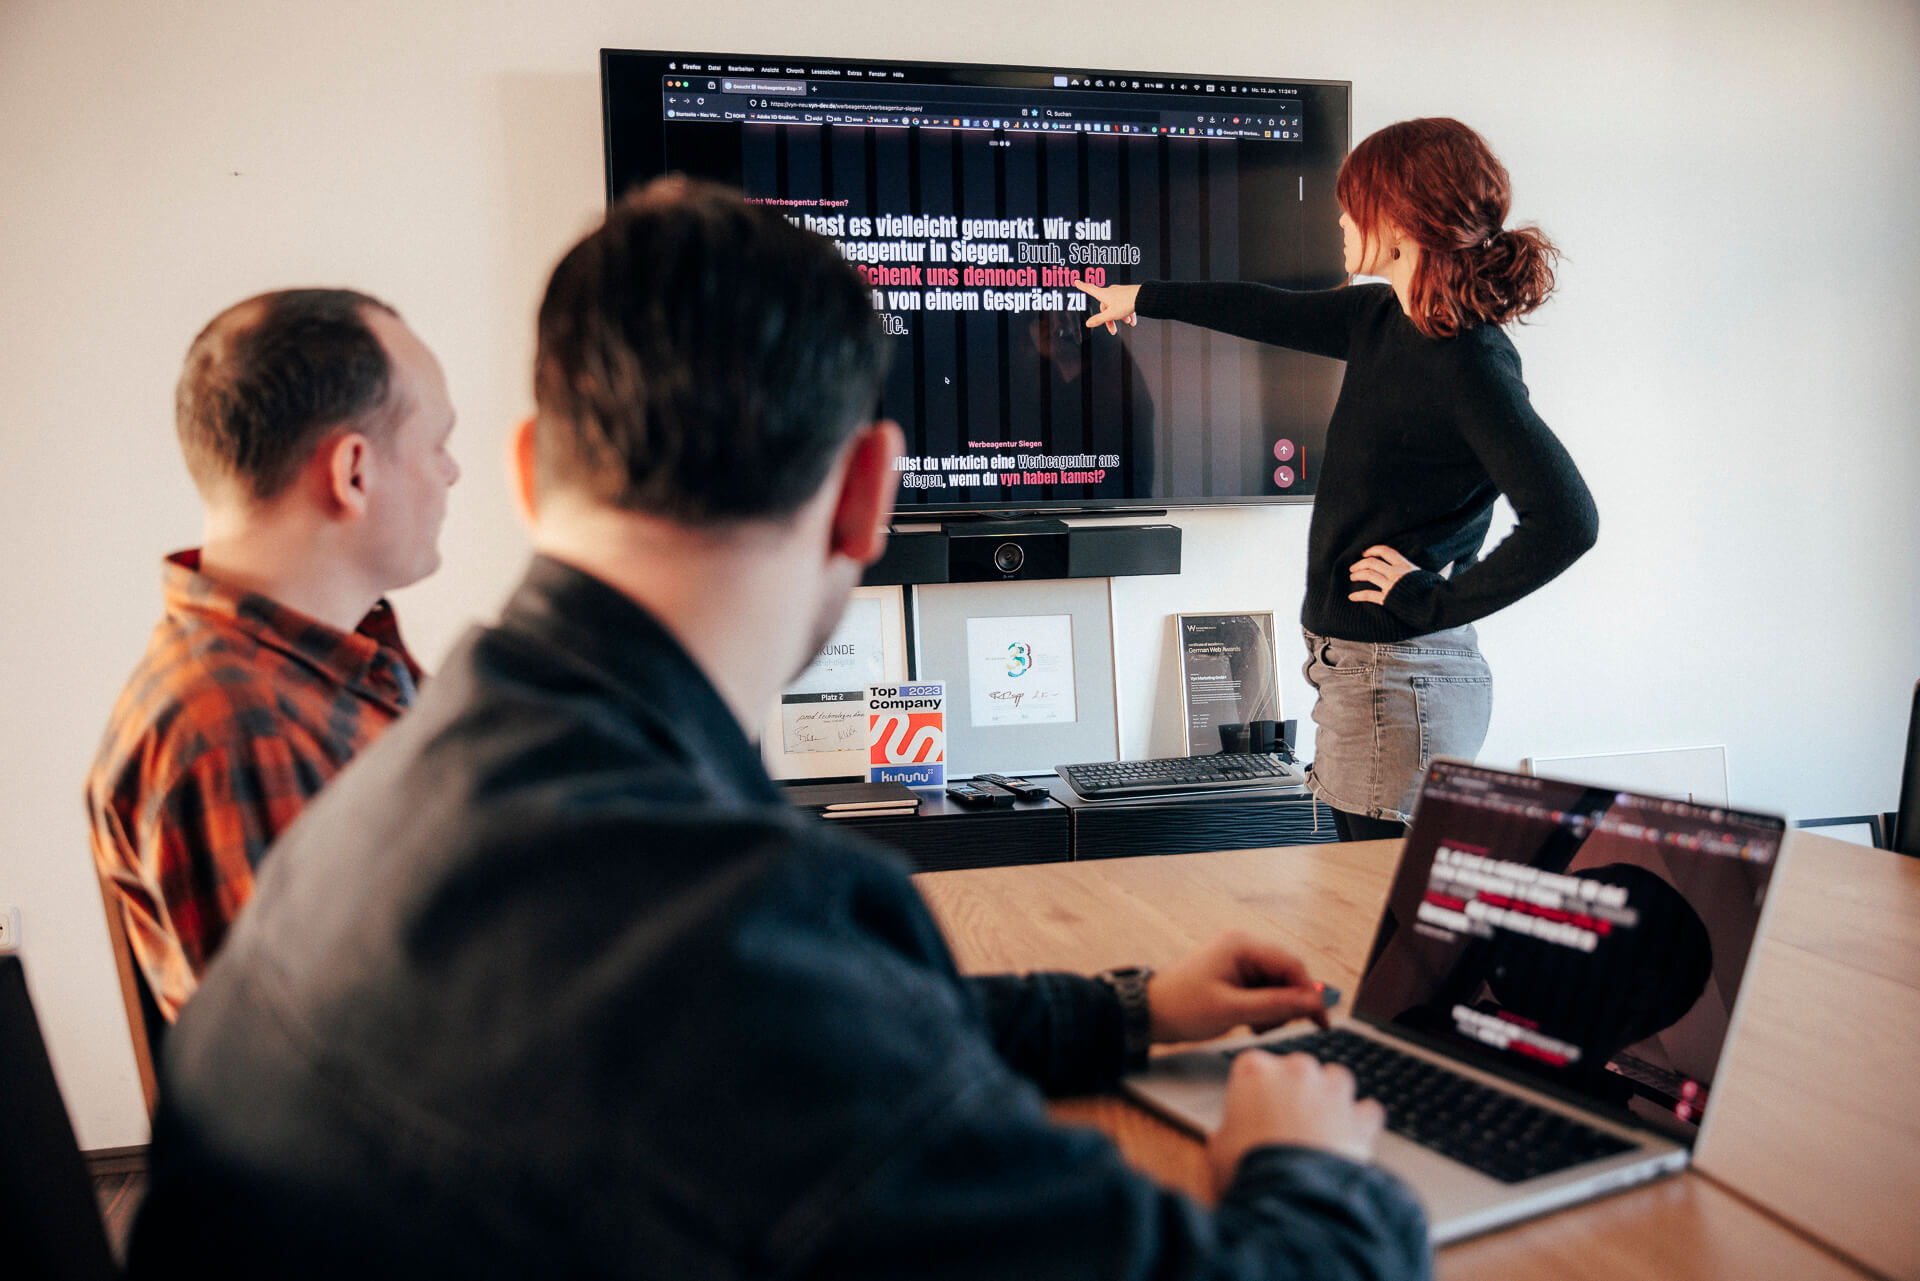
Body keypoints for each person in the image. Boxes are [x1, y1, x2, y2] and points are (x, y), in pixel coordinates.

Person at [127, 179, 1429, 1280]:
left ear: (529, 476)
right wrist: (1305, 1167)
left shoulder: (403, 755)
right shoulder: (726, 916)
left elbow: (805, 1025)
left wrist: (1124, 1010)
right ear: (869, 494)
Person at [1079, 118, 1599, 841]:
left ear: (1400, 224)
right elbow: (1265, 308)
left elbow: (1568, 519)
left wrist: (1432, 598)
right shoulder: (1383, 319)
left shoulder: (1472, 361)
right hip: (1361, 676)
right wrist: (1146, 297)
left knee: (1373, 918)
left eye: (1353, 204)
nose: (1340, 218)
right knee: (1362, 910)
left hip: (1399, 678)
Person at [86, 288, 458, 1021]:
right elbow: (333, 1068)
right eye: (438, 443)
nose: (452, 472)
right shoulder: (234, 729)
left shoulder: (330, 666)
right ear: (353, 471)